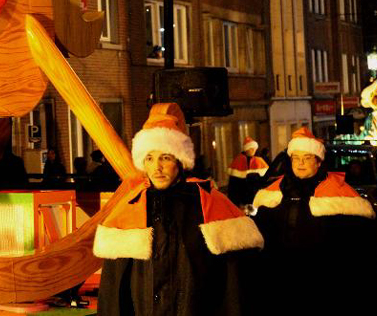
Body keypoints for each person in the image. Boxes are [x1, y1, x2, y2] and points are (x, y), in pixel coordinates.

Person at [95, 103, 263, 316]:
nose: (157, 167)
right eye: (149, 158)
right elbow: (114, 292)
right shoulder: (129, 209)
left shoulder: (209, 205)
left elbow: (233, 288)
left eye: (165, 157)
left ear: (180, 161)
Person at [252, 127, 377, 315]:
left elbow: (360, 251)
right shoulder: (274, 193)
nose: (300, 163)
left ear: (318, 162)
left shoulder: (341, 195)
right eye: (296, 158)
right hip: (282, 284)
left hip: (325, 287)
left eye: (307, 158)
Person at [226, 137, 268, 206]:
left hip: (256, 197)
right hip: (242, 196)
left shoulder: (259, 160)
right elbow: (233, 185)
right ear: (246, 149)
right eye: (252, 149)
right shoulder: (238, 160)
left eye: (254, 149)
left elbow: (265, 181)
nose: (254, 150)